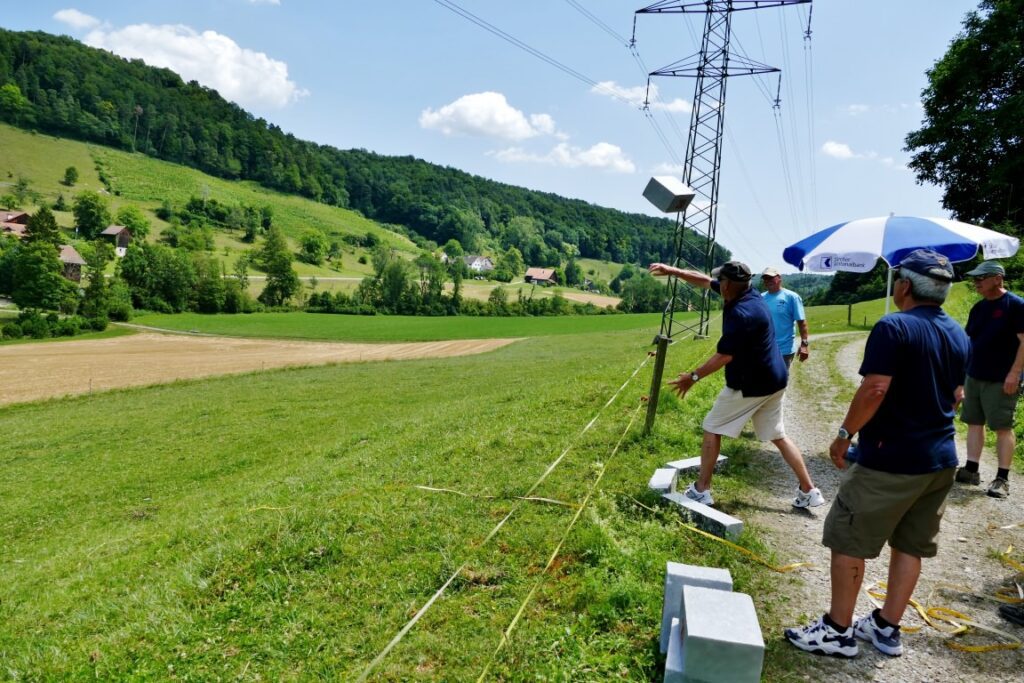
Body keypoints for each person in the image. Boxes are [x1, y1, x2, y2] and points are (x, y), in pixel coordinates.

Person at [784, 249, 970, 659]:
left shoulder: (894, 326)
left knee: (849, 538)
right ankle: (886, 626)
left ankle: (837, 631)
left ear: (903, 286)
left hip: (891, 460)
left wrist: (844, 434)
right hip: (939, 459)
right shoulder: (959, 333)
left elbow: (875, 389)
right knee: (910, 545)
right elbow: (958, 396)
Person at [647, 259, 823, 509]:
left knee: (712, 427)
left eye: (723, 280)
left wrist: (692, 377)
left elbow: (724, 356)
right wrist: (672, 271)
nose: (719, 283)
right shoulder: (747, 293)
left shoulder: (742, 314)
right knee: (777, 435)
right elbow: (705, 281)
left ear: (729, 285)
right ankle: (809, 490)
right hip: (776, 380)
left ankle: (701, 490)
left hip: (751, 384)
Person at [955, 260, 1024, 499]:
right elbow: (969, 342)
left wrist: (1014, 374)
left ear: (997, 278)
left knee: (1003, 427)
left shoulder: (1016, 305)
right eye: (975, 279)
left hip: (1002, 378)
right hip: (975, 374)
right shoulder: (979, 308)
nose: (976, 283)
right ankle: (971, 469)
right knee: (974, 422)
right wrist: (962, 378)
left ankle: (1002, 479)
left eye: (981, 278)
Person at [761, 267, 809, 368]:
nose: (768, 281)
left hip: (784, 350)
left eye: (771, 278)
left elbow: (802, 322)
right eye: (765, 278)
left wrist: (804, 345)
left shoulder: (792, 297)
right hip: (763, 349)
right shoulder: (760, 298)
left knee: (778, 381)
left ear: (779, 278)